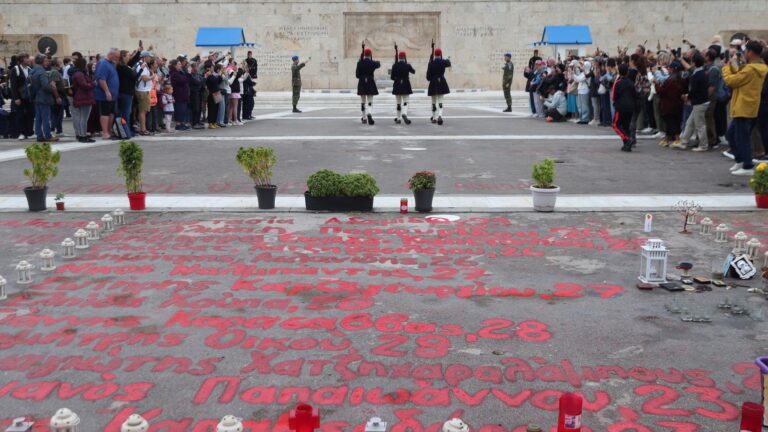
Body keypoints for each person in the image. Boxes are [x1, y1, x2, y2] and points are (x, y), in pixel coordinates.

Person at [722, 41, 768, 175]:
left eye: (746, 50)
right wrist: (732, 65)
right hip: (747, 104)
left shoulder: (751, 69)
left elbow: (732, 81)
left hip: (744, 105)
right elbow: (738, 75)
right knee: (731, 134)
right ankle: (740, 159)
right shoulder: (756, 67)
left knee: (742, 137)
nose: (744, 53)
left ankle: (747, 165)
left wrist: (725, 68)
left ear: (751, 52)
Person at [677, 52, 709, 151]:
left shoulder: (697, 75)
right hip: (700, 102)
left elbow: (693, 90)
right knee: (690, 123)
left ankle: (703, 145)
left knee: (700, 125)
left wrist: (687, 97)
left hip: (700, 102)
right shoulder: (701, 72)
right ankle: (684, 142)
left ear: (694, 63)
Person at [29, 54, 59, 142]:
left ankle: (39, 135)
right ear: (42, 61)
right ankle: (48, 135)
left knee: (38, 118)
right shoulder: (42, 72)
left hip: (36, 97)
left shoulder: (33, 71)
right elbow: (45, 86)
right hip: (44, 97)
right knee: (46, 118)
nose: (48, 62)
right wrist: (52, 87)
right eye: (46, 61)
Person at [655, 61, 685, 147]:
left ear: (672, 69)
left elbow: (662, 91)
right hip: (678, 103)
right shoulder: (680, 79)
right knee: (672, 121)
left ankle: (677, 138)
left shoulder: (670, 80)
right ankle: (667, 138)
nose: (668, 69)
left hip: (669, 104)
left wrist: (657, 84)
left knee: (671, 122)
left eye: (669, 68)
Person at [94, 48, 120, 140]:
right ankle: (105, 133)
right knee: (105, 114)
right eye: (116, 56)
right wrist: (107, 91)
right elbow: (101, 79)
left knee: (111, 113)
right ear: (111, 54)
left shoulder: (111, 64)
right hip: (104, 96)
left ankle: (109, 131)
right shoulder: (103, 64)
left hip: (113, 96)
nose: (117, 58)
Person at [70, 57, 95, 142]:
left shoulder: (78, 73)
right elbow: (84, 85)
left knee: (82, 117)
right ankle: (83, 135)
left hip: (81, 96)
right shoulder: (79, 74)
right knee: (84, 118)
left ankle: (81, 135)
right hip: (84, 97)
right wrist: (93, 84)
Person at [9, 53, 33, 140]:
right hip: (20, 97)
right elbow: (13, 85)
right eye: (27, 58)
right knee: (20, 115)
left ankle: (29, 132)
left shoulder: (29, 69)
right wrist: (16, 98)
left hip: (28, 96)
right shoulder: (15, 69)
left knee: (30, 114)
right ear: (22, 60)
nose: (28, 60)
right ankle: (21, 133)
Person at [612, 63, 635, 152]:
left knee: (615, 125)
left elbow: (613, 96)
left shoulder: (617, 82)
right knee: (626, 126)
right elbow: (634, 94)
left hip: (620, 107)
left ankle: (627, 139)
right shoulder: (631, 83)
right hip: (630, 107)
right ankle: (626, 145)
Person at [426, 47, 451, 125]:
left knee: (433, 102)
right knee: (440, 101)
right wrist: (446, 59)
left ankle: (434, 118)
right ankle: (440, 115)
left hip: (433, 82)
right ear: (440, 54)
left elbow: (428, 77)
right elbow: (448, 63)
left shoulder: (431, 63)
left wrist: (430, 61)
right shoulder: (443, 62)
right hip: (441, 81)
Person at [356, 48, 380, 125]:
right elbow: (378, 65)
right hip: (370, 82)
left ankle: (364, 118)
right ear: (370, 55)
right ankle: (369, 113)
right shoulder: (372, 63)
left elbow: (357, 75)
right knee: (370, 101)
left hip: (362, 82)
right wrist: (376, 62)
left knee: (363, 102)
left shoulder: (359, 63)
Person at [116, 50, 137, 138]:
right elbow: (134, 75)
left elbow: (132, 62)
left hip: (126, 92)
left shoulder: (124, 66)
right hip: (125, 92)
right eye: (128, 55)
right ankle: (125, 131)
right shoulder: (122, 67)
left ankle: (127, 130)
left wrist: (137, 52)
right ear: (123, 56)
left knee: (126, 112)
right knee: (126, 113)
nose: (129, 57)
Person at [391, 51, 415, 125]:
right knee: (405, 101)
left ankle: (398, 119)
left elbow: (392, 77)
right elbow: (413, 71)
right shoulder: (407, 65)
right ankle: (404, 113)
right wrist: (408, 66)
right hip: (405, 84)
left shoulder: (394, 65)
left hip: (397, 84)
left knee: (398, 103)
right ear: (404, 57)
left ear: (399, 57)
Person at [134, 52, 154, 135]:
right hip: (143, 90)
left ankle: (142, 128)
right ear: (145, 57)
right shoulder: (143, 65)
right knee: (143, 111)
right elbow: (144, 78)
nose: (150, 58)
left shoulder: (139, 64)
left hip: (142, 90)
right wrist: (153, 77)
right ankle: (143, 129)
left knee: (143, 111)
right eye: (149, 57)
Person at [169, 59, 190, 130]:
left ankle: (182, 123)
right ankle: (178, 124)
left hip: (183, 94)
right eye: (179, 64)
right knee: (179, 109)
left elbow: (185, 79)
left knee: (183, 109)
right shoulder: (174, 73)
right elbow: (183, 80)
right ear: (175, 65)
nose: (180, 65)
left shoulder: (180, 72)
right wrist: (187, 75)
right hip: (178, 94)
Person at [48, 57, 66, 137]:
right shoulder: (54, 72)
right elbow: (53, 85)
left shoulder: (56, 71)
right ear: (56, 64)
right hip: (58, 95)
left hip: (59, 95)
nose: (61, 63)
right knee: (56, 114)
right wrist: (57, 97)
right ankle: (53, 130)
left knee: (59, 114)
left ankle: (59, 130)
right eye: (59, 62)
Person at [206, 64, 224, 128]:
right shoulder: (209, 76)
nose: (213, 68)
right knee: (211, 109)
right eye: (212, 67)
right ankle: (210, 123)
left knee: (216, 108)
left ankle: (214, 122)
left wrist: (219, 75)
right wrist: (218, 75)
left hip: (217, 93)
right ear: (209, 68)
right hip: (211, 94)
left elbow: (220, 81)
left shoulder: (214, 75)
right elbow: (213, 81)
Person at [189, 62, 205, 128]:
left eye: (197, 67)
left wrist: (202, 82)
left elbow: (202, 81)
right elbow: (197, 82)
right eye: (195, 67)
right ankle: (194, 122)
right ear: (192, 68)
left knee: (199, 107)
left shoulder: (198, 74)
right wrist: (201, 82)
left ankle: (198, 121)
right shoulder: (191, 75)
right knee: (195, 108)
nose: (197, 68)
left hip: (199, 91)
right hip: (194, 92)